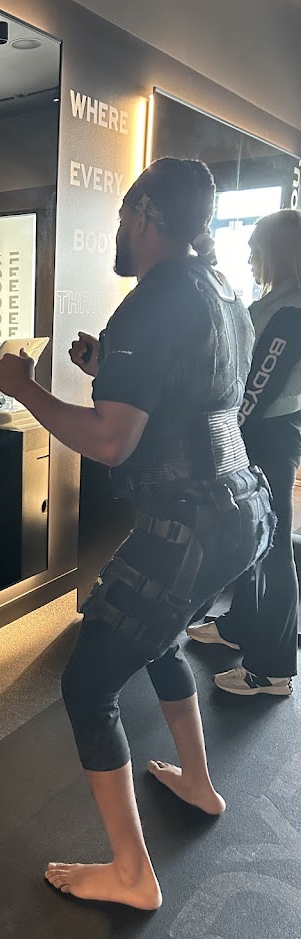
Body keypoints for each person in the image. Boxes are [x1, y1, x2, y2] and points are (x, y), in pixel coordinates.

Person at [0, 158, 274, 910]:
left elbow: (111, 442)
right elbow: (188, 397)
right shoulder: (221, 292)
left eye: (123, 213)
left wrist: (23, 389)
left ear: (145, 213)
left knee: (87, 686)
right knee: (162, 639)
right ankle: (199, 783)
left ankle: (131, 873)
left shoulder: (153, 298)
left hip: (189, 522)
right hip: (240, 511)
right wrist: (103, 367)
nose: (119, 226)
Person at [187, 209, 301, 696]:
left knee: (272, 547)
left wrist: (224, 438)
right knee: (255, 536)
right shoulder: (276, 301)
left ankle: (272, 669)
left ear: (278, 250)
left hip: (269, 434)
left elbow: (259, 385)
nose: (251, 254)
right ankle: (239, 627)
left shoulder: (291, 309)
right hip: (262, 431)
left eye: (256, 246)